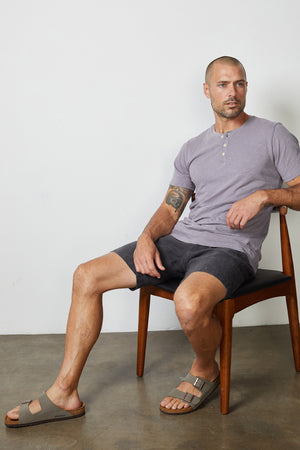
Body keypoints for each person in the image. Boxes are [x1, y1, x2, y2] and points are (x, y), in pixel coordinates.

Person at [5, 56, 300, 427]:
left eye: (240, 83)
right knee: (86, 276)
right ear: (207, 91)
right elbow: (171, 207)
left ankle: (205, 369)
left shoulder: (273, 134)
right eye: (223, 85)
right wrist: (147, 237)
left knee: (189, 304)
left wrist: (265, 196)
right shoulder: (192, 148)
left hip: (231, 249)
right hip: (183, 240)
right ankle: (64, 392)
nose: (233, 92)